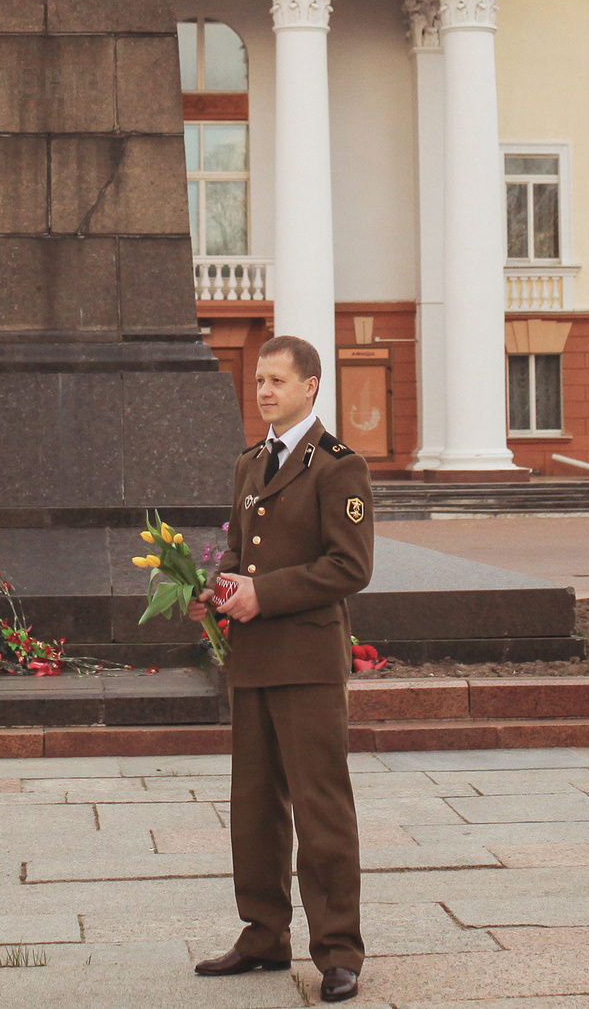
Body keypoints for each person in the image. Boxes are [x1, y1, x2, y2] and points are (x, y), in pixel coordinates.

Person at [193, 335, 373, 1002]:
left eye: (276, 380)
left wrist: (263, 594)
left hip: (308, 661)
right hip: (254, 660)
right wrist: (211, 588)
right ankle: (264, 933)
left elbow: (350, 566)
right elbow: (241, 552)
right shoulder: (250, 464)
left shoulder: (336, 466)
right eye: (259, 379)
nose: (264, 390)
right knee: (255, 808)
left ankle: (337, 950)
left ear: (311, 386)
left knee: (322, 809)